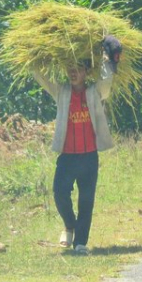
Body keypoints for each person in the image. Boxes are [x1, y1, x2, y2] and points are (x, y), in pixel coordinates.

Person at [32, 39, 118, 254]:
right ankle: (70, 225)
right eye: (70, 68)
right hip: (67, 157)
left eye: (78, 68)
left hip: (89, 156)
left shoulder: (94, 93)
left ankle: (80, 242)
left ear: (87, 72)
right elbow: (41, 77)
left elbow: (107, 81)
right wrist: (35, 54)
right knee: (59, 193)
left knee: (86, 200)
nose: (73, 72)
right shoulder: (61, 93)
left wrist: (108, 60)